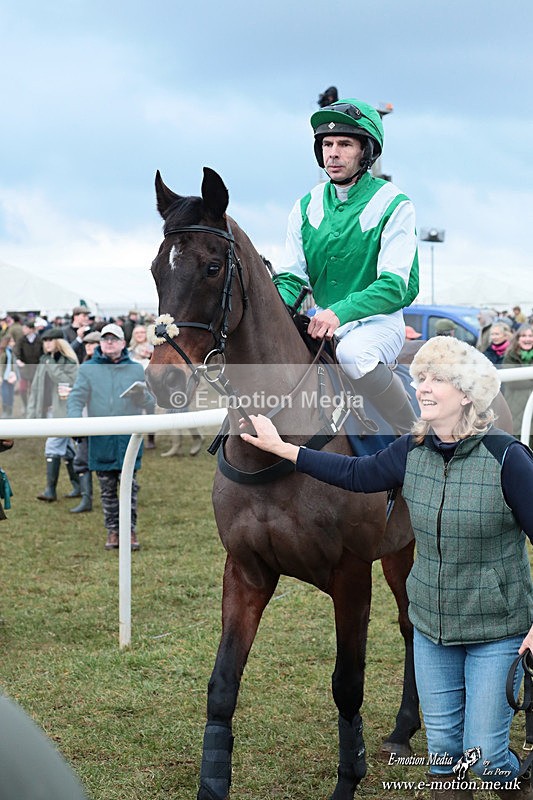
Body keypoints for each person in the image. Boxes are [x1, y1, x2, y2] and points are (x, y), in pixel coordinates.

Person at [240, 336, 533, 799]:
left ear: (468, 393)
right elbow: (356, 475)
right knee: (444, 759)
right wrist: (285, 449)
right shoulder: (411, 449)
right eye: (421, 379)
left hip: (496, 630)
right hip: (432, 628)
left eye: (438, 379)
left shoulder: (508, 458)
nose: (423, 388)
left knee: (487, 753)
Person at [272, 97, 419, 434]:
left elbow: (395, 285)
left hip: (377, 325)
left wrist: (339, 313)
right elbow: (292, 276)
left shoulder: (394, 203)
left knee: (354, 355)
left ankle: (414, 436)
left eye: (344, 144)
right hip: (323, 320)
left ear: (366, 151)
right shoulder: (306, 205)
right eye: (327, 144)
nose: (333, 153)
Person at [67, 323, 156, 550]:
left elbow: (150, 402)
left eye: (114, 339)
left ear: (123, 343)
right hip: (102, 441)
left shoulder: (136, 369)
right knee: (107, 491)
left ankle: (130, 531)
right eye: (105, 339)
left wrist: (142, 398)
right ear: (100, 343)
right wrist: (75, 422)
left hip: (128, 441)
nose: (109, 342)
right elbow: (76, 398)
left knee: (130, 489)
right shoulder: (88, 368)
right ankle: (113, 532)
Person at [26, 329, 80, 503]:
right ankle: (79, 486)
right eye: (45, 340)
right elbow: (35, 389)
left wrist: (52, 366)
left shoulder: (69, 361)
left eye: (50, 340)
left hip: (64, 412)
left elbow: (70, 382)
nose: (47, 343)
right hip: (48, 411)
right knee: (67, 450)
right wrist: (32, 413)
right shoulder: (44, 361)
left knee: (53, 445)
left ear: (59, 342)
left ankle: (50, 490)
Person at [69, 331, 101, 514]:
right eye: (87, 344)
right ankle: (86, 498)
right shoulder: (83, 365)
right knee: (81, 459)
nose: (89, 347)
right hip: (85, 417)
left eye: (93, 343)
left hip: (103, 419)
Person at [502, 323, 533, 446]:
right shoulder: (510, 357)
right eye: (523, 336)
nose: (527, 339)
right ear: (518, 339)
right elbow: (513, 382)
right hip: (515, 409)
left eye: (531, 336)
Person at [13, 318, 43, 411]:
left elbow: (43, 352)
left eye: (25, 328)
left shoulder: (39, 339)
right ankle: (25, 405)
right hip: (25, 368)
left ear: (31, 329)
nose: (23, 330)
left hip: (36, 368)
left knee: (35, 389)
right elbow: (16, 350)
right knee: (23, 389)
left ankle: (34, 405)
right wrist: (18, 359)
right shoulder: (21, 340)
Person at [0, 335, 19, 418]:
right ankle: (6, 412)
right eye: (11, 341)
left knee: (10, 395)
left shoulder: (11, 352)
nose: (13, 343)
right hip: (4, 377)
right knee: (5, 395)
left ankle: (9, 412)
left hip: (10, 377)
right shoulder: (4, 353)